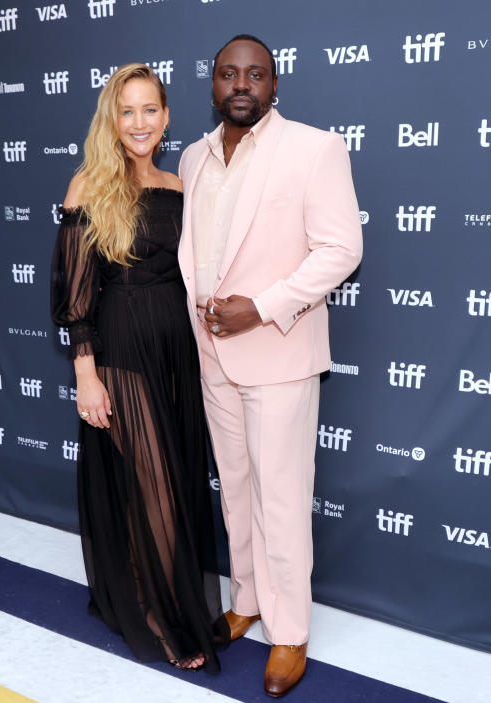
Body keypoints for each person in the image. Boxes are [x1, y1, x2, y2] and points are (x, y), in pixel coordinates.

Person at [178, 35, 363, 696]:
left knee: (281, 498)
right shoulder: (194, 155)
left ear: (275, 84)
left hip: (279, 351)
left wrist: (260, 307)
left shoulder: (315, 148)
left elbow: (341, 248)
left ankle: (289, 631)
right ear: (213, 85)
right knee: (236, 487)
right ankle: (247, 598)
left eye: (256, 73)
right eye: (229, 73)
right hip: (212, 354)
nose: (242, 84)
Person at [50, 63, 229, 673]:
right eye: (126, 111)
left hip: (176, 349)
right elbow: (75, 295)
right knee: (150, 482)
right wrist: (86, 372)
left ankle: (172, 597)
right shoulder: (88, 188)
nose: (139, 123)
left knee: (175, 480)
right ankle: (158, 616)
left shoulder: (178, 185)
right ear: (111, 118)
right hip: (122, 352)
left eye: (149, 110)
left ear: (167, 116)